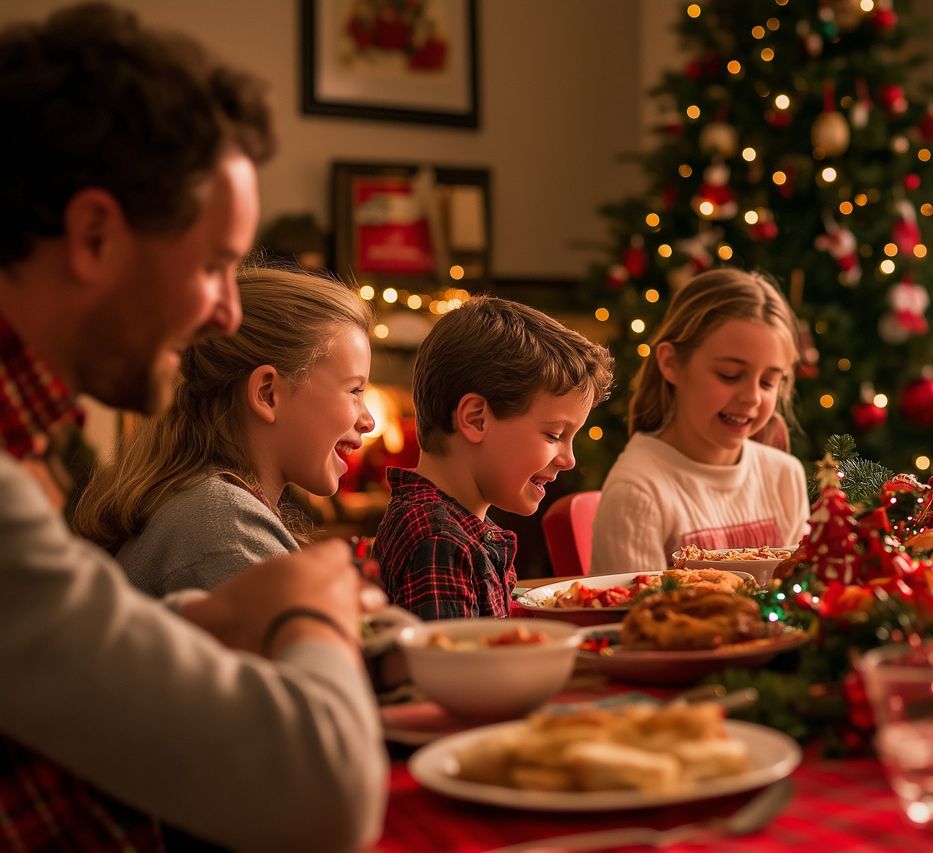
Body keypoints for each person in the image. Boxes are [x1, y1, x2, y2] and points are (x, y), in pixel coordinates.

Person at [0, 4, 386, 849]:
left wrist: (194, 633)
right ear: (95, 234)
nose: (226, 313)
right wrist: (310, 609)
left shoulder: (29, 450)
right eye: (214, 265)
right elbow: (325, 802)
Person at [73, 266, 375, 596]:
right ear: (267, 393)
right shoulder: (229, 533)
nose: (368, 420)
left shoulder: (206, 509)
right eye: (355, 391)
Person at [375, 296, 614, 619]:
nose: (568, 459)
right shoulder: (440, 542)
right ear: (476, 420)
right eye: (554, 435)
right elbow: (458, 668)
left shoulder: (456, 527)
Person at [590, 269, 809, 575]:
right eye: (729, 375)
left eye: (769, 382)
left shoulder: (785, 476)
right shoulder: (638, 491)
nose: (752, 398)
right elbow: (634, 618)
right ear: (671, 363)